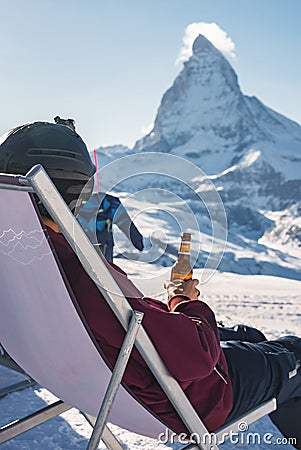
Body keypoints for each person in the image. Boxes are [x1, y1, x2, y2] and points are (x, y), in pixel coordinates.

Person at [0, 121, 300, 449]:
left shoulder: (23, 261)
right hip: (186, 401)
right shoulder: (80, 274)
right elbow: (197, 357)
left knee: (251, 338)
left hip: (93, 381)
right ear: (76, 192)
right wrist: (185, 302)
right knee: (294, 353)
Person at [78, 192, 144, 261]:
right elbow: (125, 222)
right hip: (103, 247)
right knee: (104, 269)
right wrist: (138, 242)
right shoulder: (108, 202)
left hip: (78, 246)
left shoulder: (71, 203)